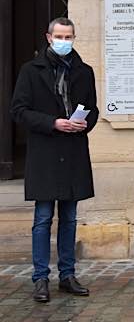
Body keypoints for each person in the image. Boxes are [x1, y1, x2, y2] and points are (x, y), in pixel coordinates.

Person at [10, 17, 98, 303]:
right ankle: (40, 278)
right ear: (48, 37)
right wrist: (53, 123)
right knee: (43, 218)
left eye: (69, 36)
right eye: (59, 36)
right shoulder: (31, 71)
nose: (64, 41)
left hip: (73, 151)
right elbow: (19, 111)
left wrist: (84, 123)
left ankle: (67, 274)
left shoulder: (84, 71)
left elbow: (93, 108)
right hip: (45, 153)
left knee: (70, 218)